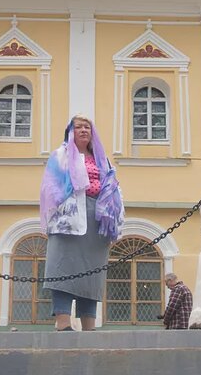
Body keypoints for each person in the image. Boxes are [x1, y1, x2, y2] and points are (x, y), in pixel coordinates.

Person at [40, 115, 124, 331]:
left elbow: (113, 187)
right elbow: (50, 186)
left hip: (98, 218)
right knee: (62, 268)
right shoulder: (61, 156)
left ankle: (89, 325)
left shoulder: (102, 159)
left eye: (87, 127)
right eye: (79, 127)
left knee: (92, 274)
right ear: (71, 131)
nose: (84, 130)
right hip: (68, 218)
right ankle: (63, 322)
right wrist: (58, 207)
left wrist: (114, 222)